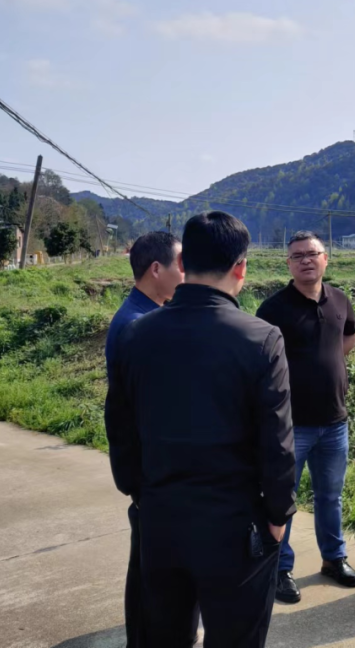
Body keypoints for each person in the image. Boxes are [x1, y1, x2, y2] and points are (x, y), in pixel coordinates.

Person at [105, 212, 296, 648]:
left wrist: (138, 491)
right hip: (236, 524)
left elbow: (120, 424)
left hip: (160, 516)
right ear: (240, 268)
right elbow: (277, 441)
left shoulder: (136, 334)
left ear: (183, 262)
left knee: (162, 636)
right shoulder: (261, 338)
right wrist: (278, 515)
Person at [256, 230, 355, 605]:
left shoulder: (340, 299)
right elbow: (259, 360)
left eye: (312, 253)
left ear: (325, 258)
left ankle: (333, 559)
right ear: (288, 264)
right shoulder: (273, 309)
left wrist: (328, 362)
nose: (305, 260)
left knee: (330, 496)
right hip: (290, 425)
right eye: (297, 256)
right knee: (282, 498)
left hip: (334, 422)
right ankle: (279, 568)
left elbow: (351, 334)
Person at [104, 231, 189, 648]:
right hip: (151, 471)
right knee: (147, 571)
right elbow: (127, 413)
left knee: (150, 566)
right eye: (181, 264)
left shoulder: (145, 315)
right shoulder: (136, 325)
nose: (186, 273)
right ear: (157, 269)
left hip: (152, 470)